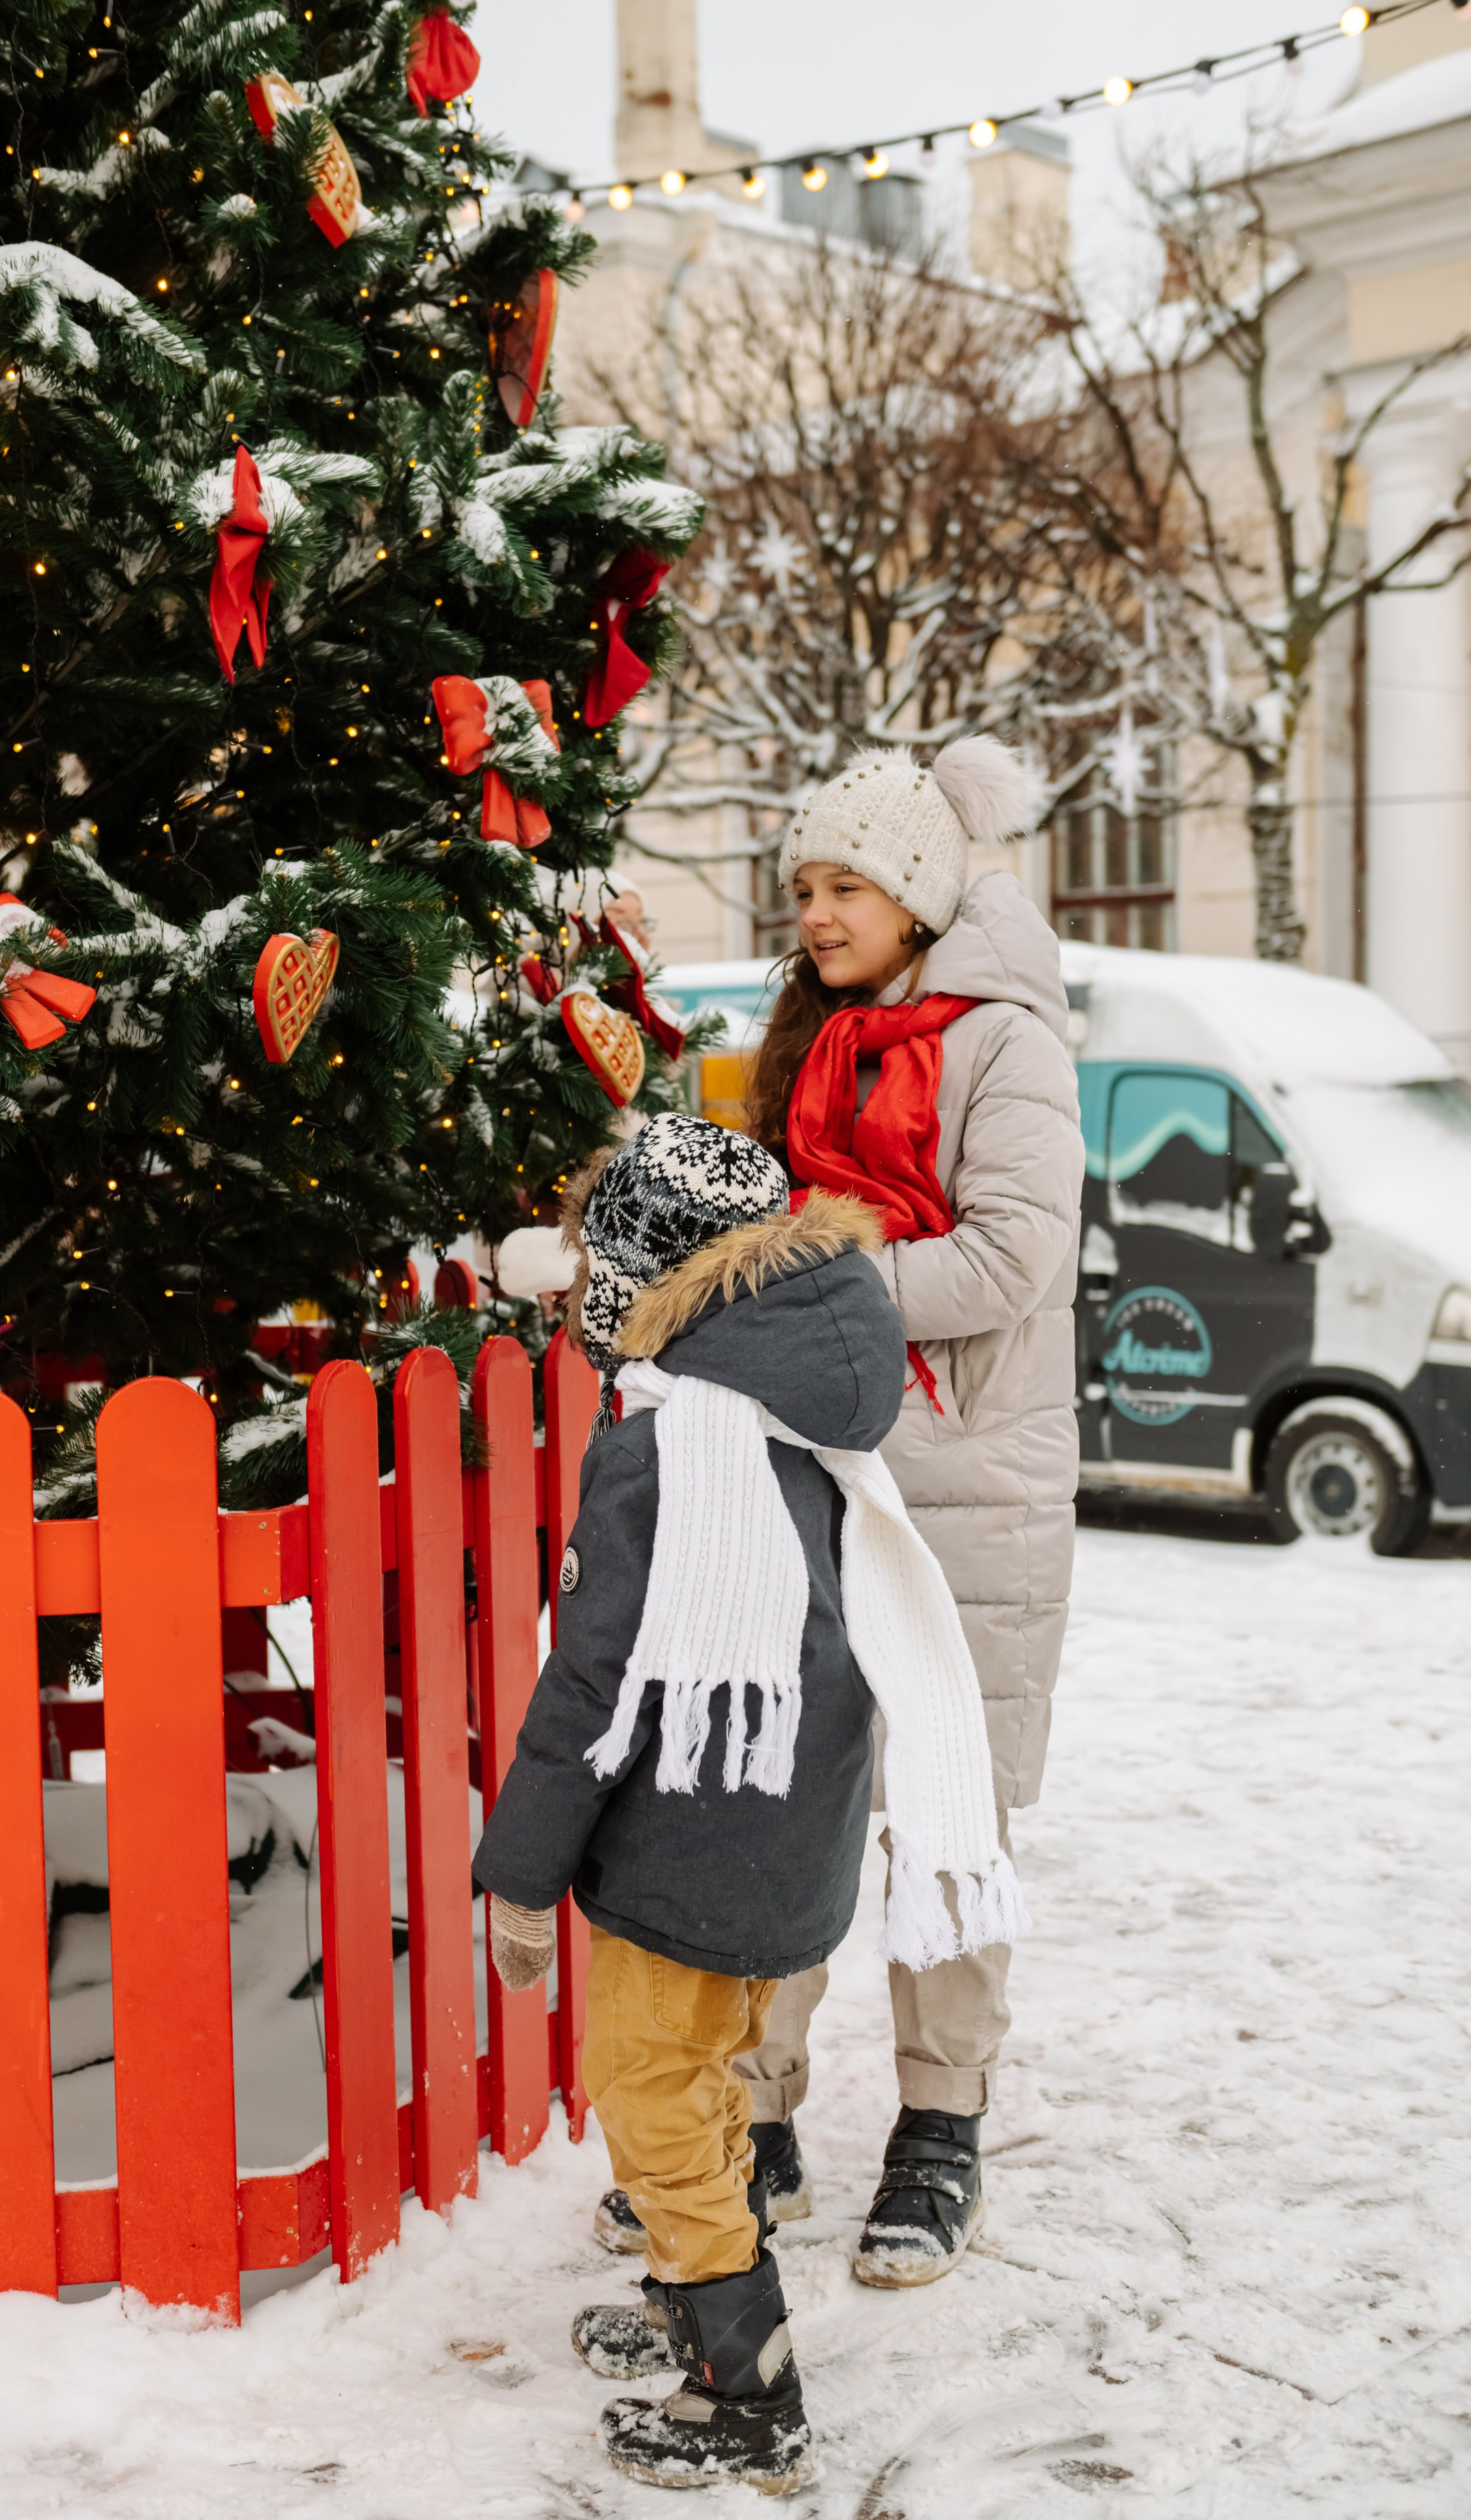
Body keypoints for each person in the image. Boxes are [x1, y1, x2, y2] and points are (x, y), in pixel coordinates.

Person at [592, 737, 1083, 2292]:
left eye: (844, 884)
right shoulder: (804, 1041)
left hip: (969, 1478)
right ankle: (762, 2113)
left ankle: (940, 2126)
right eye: (801, 884)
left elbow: (1009, 1263)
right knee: (782, 1794)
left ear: (919, 892)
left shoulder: (1007, 1048)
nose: (813, 910)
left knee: (945, 1810)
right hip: (814, 1465)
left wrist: (804, 1281)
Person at [473, 1115, 1021, 2492]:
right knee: (709, 2079)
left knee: (648, 2091)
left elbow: (591, 1681)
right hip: (790, 1838)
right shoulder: (797, 1410)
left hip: (687, 1843)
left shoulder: (670, 1443)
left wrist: (522, 1872)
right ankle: (689, 2287)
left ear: (648, 1276)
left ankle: (741, 2381)